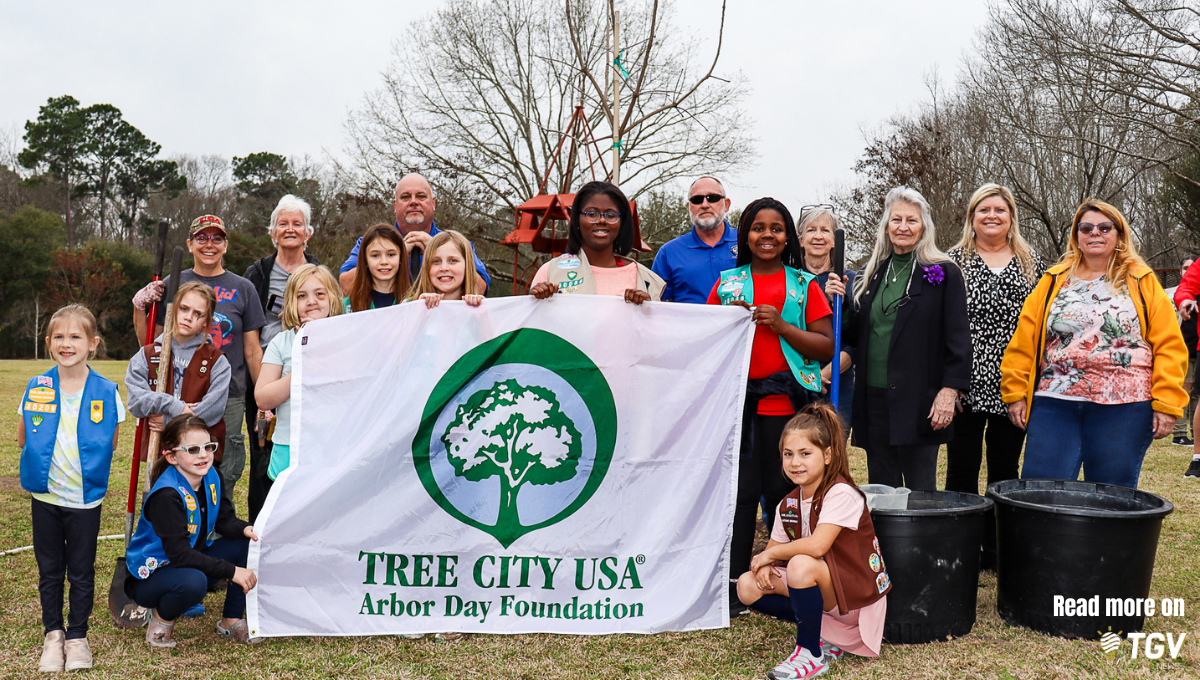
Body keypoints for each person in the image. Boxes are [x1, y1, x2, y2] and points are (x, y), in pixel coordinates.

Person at [1002, 199, 1187, 488]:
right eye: (1086, 228)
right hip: (1055, 401)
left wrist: (1167, 402)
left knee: (1109, 496)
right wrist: (1015, 391)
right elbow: (1024, 340)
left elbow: (1169, 345)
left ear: (1119, 234)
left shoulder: (1142, 280)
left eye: (1104, 227)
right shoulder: (1053, 281)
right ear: (1076, 235)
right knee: (1041, 491)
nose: (1095, 233)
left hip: (1125, 406)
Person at [708, 197, 835, 615]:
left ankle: (789, 578)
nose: (767, 235)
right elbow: (703, 341)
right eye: (758, 227)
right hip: (739, 410)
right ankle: (734, 583)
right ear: (744, 235)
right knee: (743, 495)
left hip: (789, 410)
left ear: (787, 238)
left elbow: (825, 346)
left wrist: (781, 325)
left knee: (787, 493)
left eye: (776, 228)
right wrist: (724, 323)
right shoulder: (727, 284)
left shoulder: (804, 285)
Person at [826, 187, 971, 491]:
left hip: (919, 401)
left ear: (924, 227)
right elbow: (856, 334)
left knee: (920, 492)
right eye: (896, 220)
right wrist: (840, 304)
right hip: (875, 400)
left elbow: (958, 339)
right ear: (886, 226)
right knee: (883, 488)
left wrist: (949, 391)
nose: (903, 227)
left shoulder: (944, 273)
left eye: (911, 220)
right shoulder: (871, 273)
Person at [736, 403, 889, 680]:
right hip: (829, 597)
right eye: (788, 454)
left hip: (855, 603)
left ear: (828, 455)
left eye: (805, 453)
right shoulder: (788, 503)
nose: (795, 462)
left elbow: (818, 546)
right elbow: (772, 550)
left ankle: (810, 653)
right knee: (747, 585)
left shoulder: (841, 493)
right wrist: (765, 564)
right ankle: (823, 634)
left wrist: (771, 556)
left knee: (800, 565)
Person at [19, 305, 125, 672]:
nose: (67, 344)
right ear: (49, 342)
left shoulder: (107, 392)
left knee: (81, 570)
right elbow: (24, 438)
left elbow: (111, 443)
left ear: (93, 343)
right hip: (45, 497)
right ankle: (53, 634)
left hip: (84, 501)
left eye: (76, 336)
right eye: (59, 337)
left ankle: (77, 636)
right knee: (50, 570)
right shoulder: (37, 386)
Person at [132, 215, 266, 504]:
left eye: (217, 238)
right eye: (202, 238)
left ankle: (214, 525)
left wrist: (263, 399)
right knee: (171, 467)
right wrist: (139, 307)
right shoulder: (172, 283)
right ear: (190, 244)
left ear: (226, 245)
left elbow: (253, 351)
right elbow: (152, 344)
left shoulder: (244, 288)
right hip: (177, 392)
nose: (209, 244)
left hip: (226, 396)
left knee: (219, 470)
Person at [945, 184, 1046, 495]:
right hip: (964, 383)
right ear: (972, 217)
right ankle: (961, 527)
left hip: (1013, 383)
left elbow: (1042, 325)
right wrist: (946, 383)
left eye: (1000, 210)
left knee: (1005, 469)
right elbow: (939, 325)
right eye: (984, 210)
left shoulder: (1033, 263)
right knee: (961, 467)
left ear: (1011, 216)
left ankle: (999, 529)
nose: (992, 215)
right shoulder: (951, 263)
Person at [124, 414, 260, 647]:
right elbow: (179, 554)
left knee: (246, 543)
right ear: (171, 456)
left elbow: (224, 520)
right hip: (151, 576)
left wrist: (246, 528)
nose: (203, 455)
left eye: (208, 447)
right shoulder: (167, 496)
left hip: (188, 562)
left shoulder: (211, 476)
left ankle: (231, 619)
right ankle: (161, 620)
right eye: (193, 450)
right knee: (194, 582)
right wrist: (232, 571)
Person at [243, 195, 321, 521]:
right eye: (283, 224)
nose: (290, 229)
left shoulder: (319, 273)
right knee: (263, 459)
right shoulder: (257, 274)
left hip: (312, 380)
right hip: (267, 373)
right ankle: (261, 528)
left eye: (297, 224)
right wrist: (267, 396)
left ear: (308, 232)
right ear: (273, 233)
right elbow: (250, 339)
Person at [255, 264, 345, 488]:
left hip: (334, 446)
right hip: (289, 445)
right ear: (291, 303)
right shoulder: (281, 342)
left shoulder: (345, 338)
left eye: (319, 294)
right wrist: (303, 366)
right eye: (302, 296)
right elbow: (263, 398)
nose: (311, 301)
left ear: (333, 297)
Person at [126, 280, 231, 458]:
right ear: (173, 309)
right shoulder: (147, 355)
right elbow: (136, 401)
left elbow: (213, 409)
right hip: (158, 453)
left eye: (198, 314)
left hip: (199, 456)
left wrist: (169, 420)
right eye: (184, 308)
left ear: (206, 322)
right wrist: (175, 406)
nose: (188, 317)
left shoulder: (216, 361)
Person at [338, 173, 490, 294]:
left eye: (421, 196)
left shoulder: (457, 244)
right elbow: (346, 286)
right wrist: (396, 255)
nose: (413, 202)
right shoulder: (371, 243)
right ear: (395, 206)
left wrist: (437, 250)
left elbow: (480, 288)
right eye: (405, 197)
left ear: (433, 203)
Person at [528, 181, 665, 304]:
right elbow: (535, 322)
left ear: (622, 223)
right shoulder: (551, 272)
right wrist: (537, 302)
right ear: (577, 219)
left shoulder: (644, 279)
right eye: (592, 214)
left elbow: (656, 323)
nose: (602, 220)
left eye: (611, 215)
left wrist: (646, 310)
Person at [798, 205, 857, 428]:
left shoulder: (850, 281)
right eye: (811, 230)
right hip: (796, 380)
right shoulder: (790, 278)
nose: (818, 236)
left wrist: (824, 374)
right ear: (801, 240)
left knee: (832, 443)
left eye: (825, 230)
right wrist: (808, 376)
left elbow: (855, 341)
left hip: (836, 384)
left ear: (834, 241)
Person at [651, 176, 738, 303]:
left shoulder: (747, 243)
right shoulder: (669, 252)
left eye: (712, 198)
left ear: (727, 204)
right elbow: (657, 305)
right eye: (697, 200)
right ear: (689, 207)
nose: (705, 205)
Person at [407, 230, 486, 308]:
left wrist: (481, 309)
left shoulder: (479, 307)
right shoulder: (408, 305)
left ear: (467, 266)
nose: (444, 268)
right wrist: (418, 308)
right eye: (436, 261)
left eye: (453, 261)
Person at [345, 223, 410, 311]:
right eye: (375, 255)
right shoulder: (347, 306)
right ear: (365, 260)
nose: (384, 262)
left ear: (401, 258)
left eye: (391, 255)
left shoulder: (415, 303)